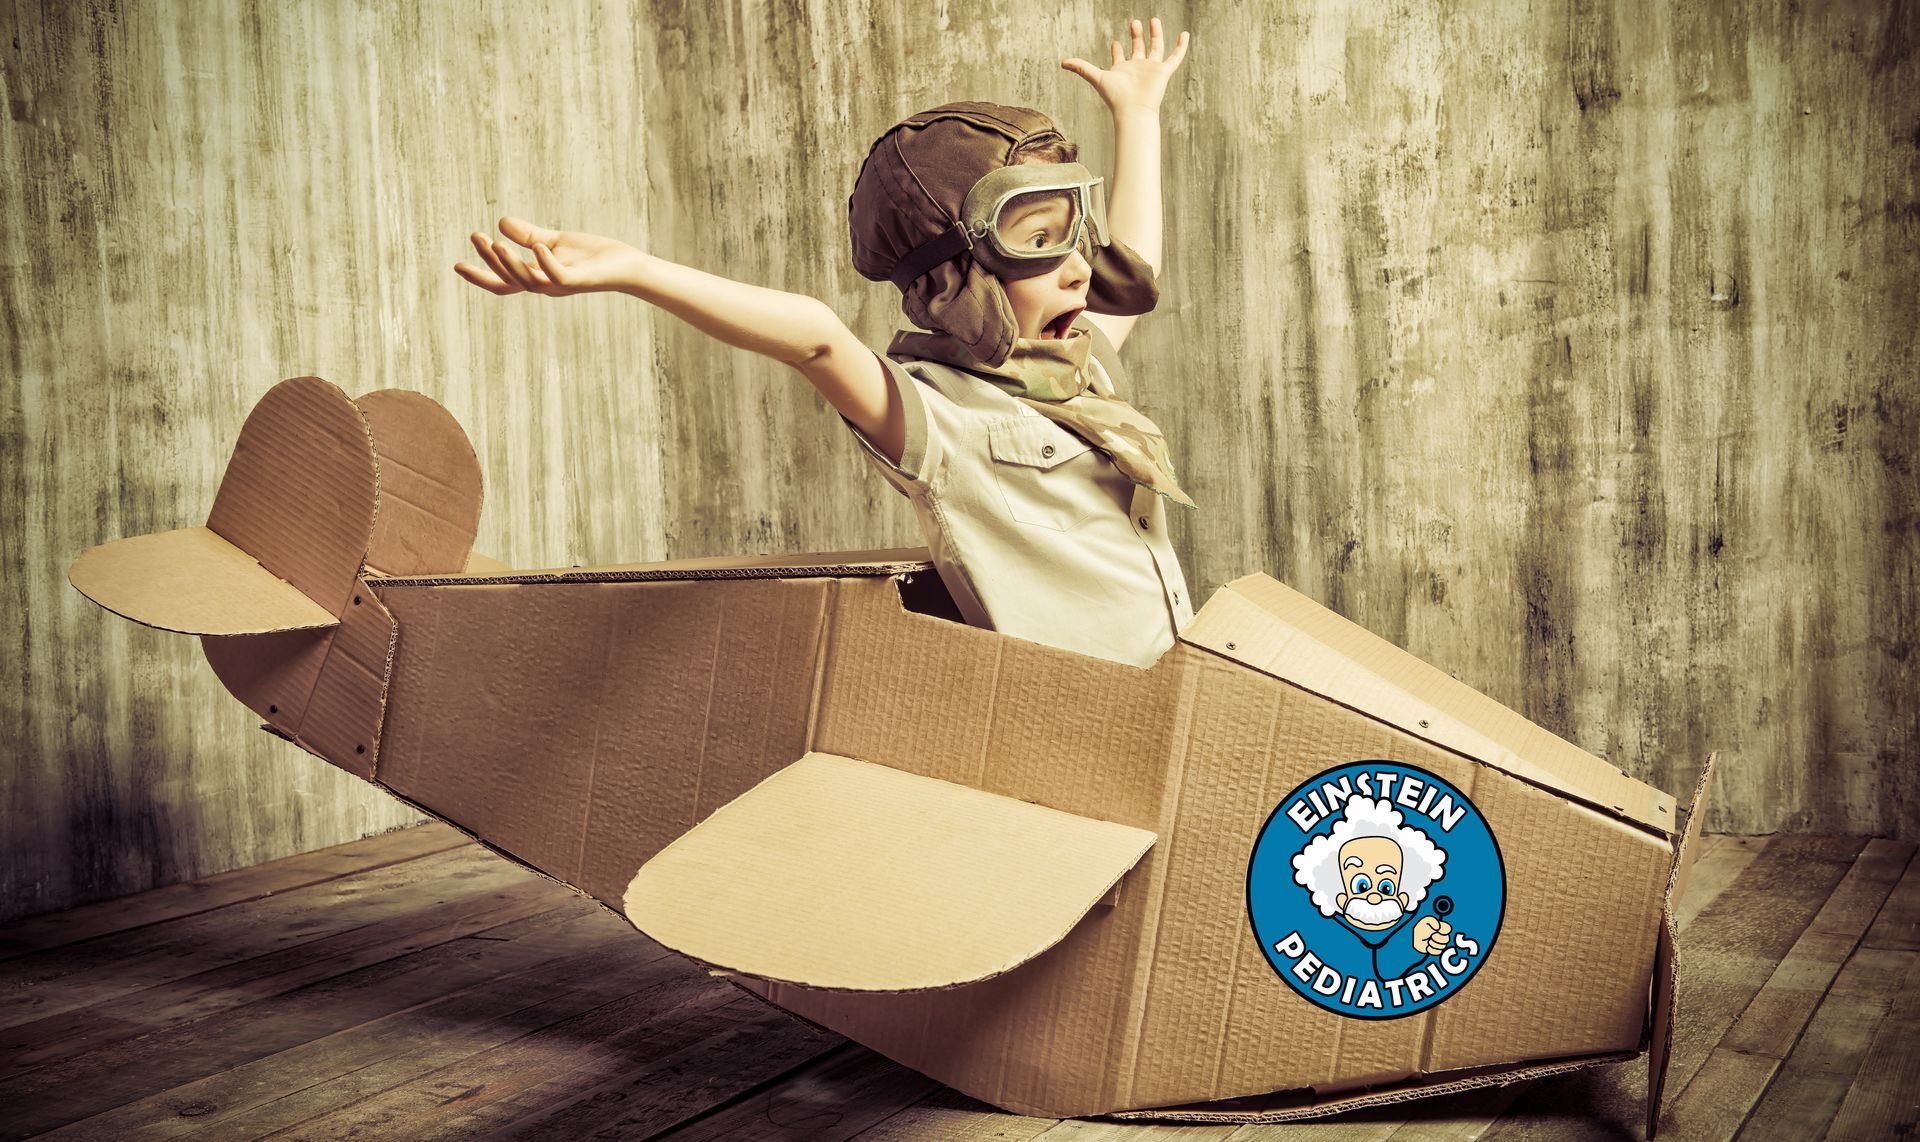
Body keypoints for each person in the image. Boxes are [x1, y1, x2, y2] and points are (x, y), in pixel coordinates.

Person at [457, 17, 1194, 668]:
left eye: (1075, 232)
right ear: (954, 278)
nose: (1078, 270)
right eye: (1038, 240)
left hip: (1182, 685)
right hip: (1081, 728)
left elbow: (1136, 262)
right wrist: (638, 271)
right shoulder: (938, 421)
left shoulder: (1074, 367)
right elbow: (814, 340)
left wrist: (1137, 114)